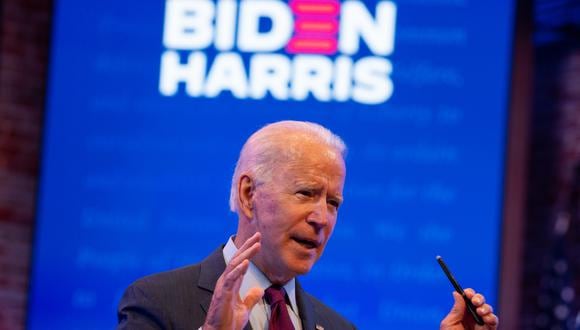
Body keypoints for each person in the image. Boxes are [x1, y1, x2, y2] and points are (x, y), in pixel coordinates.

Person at [117, 120, 499, 330]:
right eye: (305, 193)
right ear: (249, 194)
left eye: (333, 203)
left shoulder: (338, 329)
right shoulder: (158, 302)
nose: (322, 218)